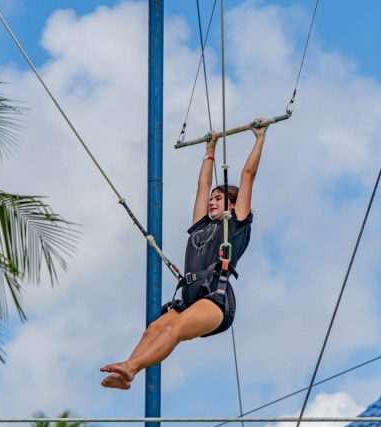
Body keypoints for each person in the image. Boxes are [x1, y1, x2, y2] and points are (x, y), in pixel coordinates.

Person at [100, 119, 267, 390]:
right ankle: (126, 375)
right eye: (211, 199)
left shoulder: (235, 224)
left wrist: (259, 138)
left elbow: (248, 175)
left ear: (233, 204)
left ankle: (131, 368)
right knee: (153, 329)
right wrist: (209, 150)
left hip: (216, 298)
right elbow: (202, 187)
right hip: (190, 297)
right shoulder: (201, 225)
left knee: (172, 330)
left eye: (218, 198)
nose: (212, 201)